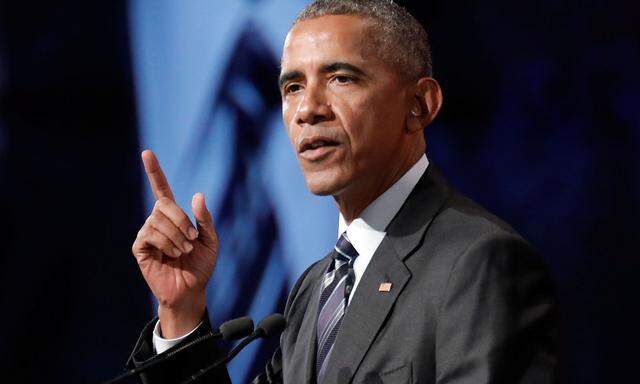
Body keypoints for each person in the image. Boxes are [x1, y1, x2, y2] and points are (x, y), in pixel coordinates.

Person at [126, 1, 558, 383]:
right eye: (292, 87)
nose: (307, 110)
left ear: (419, 105)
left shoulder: (480, 264)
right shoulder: (315, 289)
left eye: (341, 79)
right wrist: (181, 312)